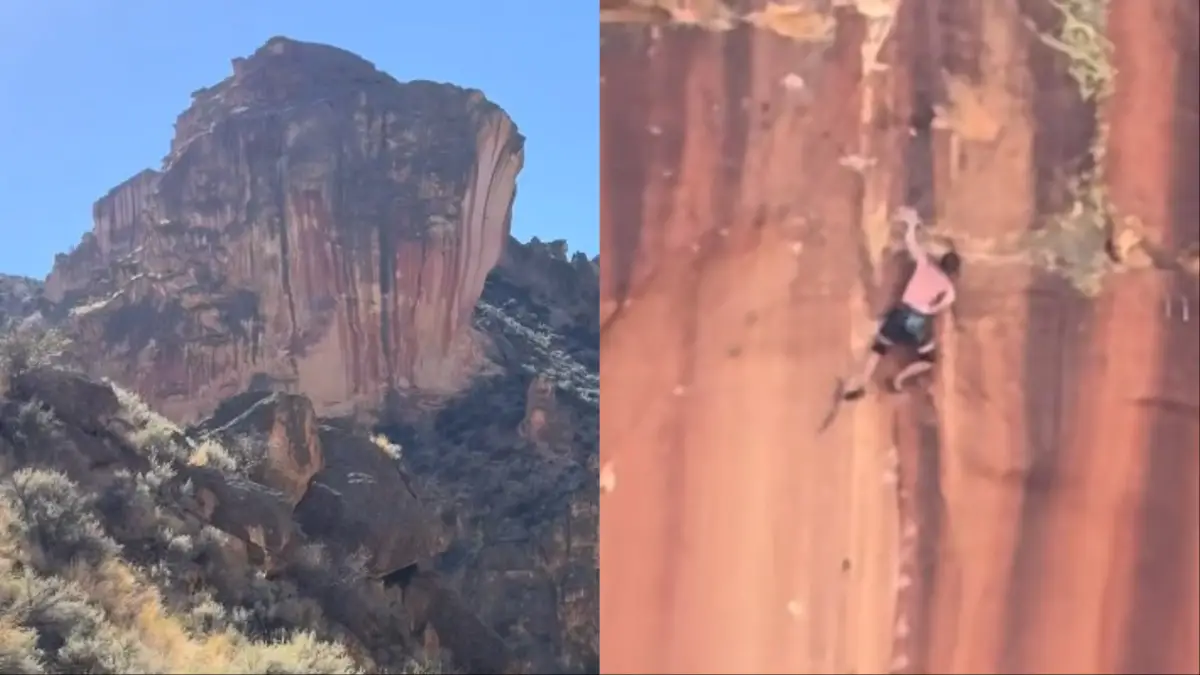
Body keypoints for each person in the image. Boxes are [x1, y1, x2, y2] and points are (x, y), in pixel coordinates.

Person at [842, 207, 960, 401]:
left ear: (941, 262)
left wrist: (911, 224)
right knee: (928, 359)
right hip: (918, 321)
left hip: (901, 313)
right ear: (954, 272)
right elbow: (942, 305)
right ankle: (899, 380)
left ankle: (862, 383)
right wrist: (929, 309)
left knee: (879, 348)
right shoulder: (949, 288)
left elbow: (911, 243)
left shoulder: (924, 265)